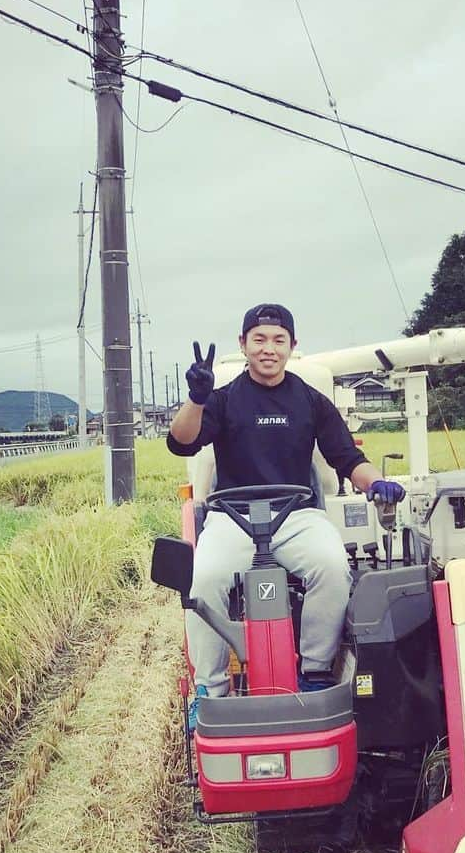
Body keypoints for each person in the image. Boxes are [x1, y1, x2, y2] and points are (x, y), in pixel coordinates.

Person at [167, 302, 405, 711]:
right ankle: (210, 690)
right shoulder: (222, 401)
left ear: (293, 345)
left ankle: (314, 672)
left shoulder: (311, 402)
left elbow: (347, 459)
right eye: (258, 339)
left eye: (278, 340)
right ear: (243, 344)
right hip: (233, 518)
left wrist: (377, 483)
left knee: (332, 567)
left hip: (296, 515)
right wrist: (196, 398)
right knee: (202, 581)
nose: (268, 349)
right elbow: (181, 442)